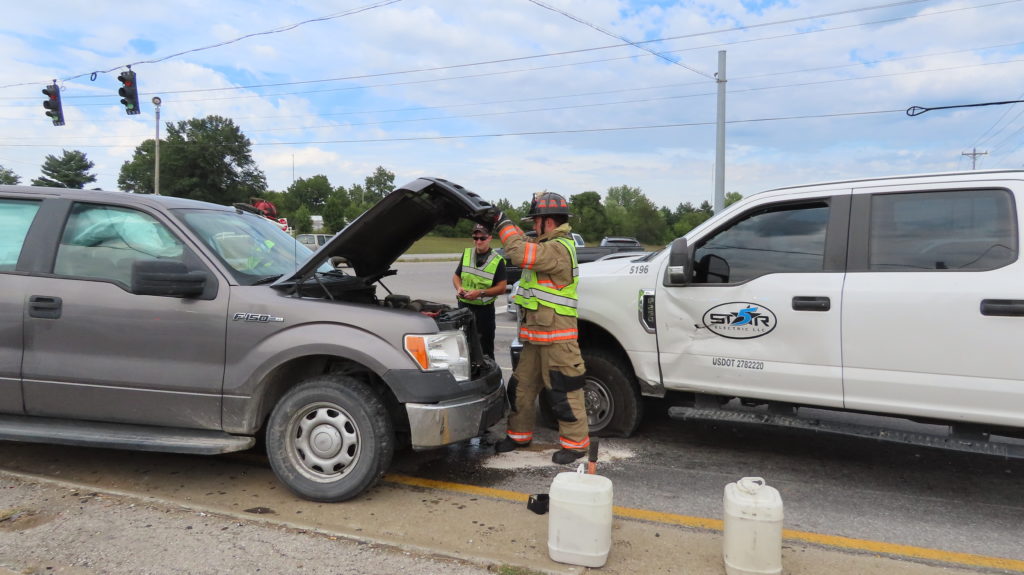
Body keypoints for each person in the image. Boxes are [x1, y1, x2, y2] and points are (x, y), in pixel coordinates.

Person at [481, 192, 589, 465]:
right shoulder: (546, 243)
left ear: (547, 222)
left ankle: (576, 445)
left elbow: (518, 252)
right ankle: (519, 435)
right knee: (522, 387)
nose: (533, 225)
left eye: (536, 220)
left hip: (558, 338)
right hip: (536, 336)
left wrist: (502, 221)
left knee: (564, 391)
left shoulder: (558, 248)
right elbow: (523, 241)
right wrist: (498, 222)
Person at [452, 224, 507, 358]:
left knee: (485, 350)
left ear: (489, 238)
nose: (478, 241)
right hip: (464, 307)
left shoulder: (497, 260)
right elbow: (456, 276)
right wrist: (459, 287)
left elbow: (502, 287)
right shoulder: (467, 253)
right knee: (463, 348)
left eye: (482, 238)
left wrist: (481, 293)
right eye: (475, 238)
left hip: (484, 312)